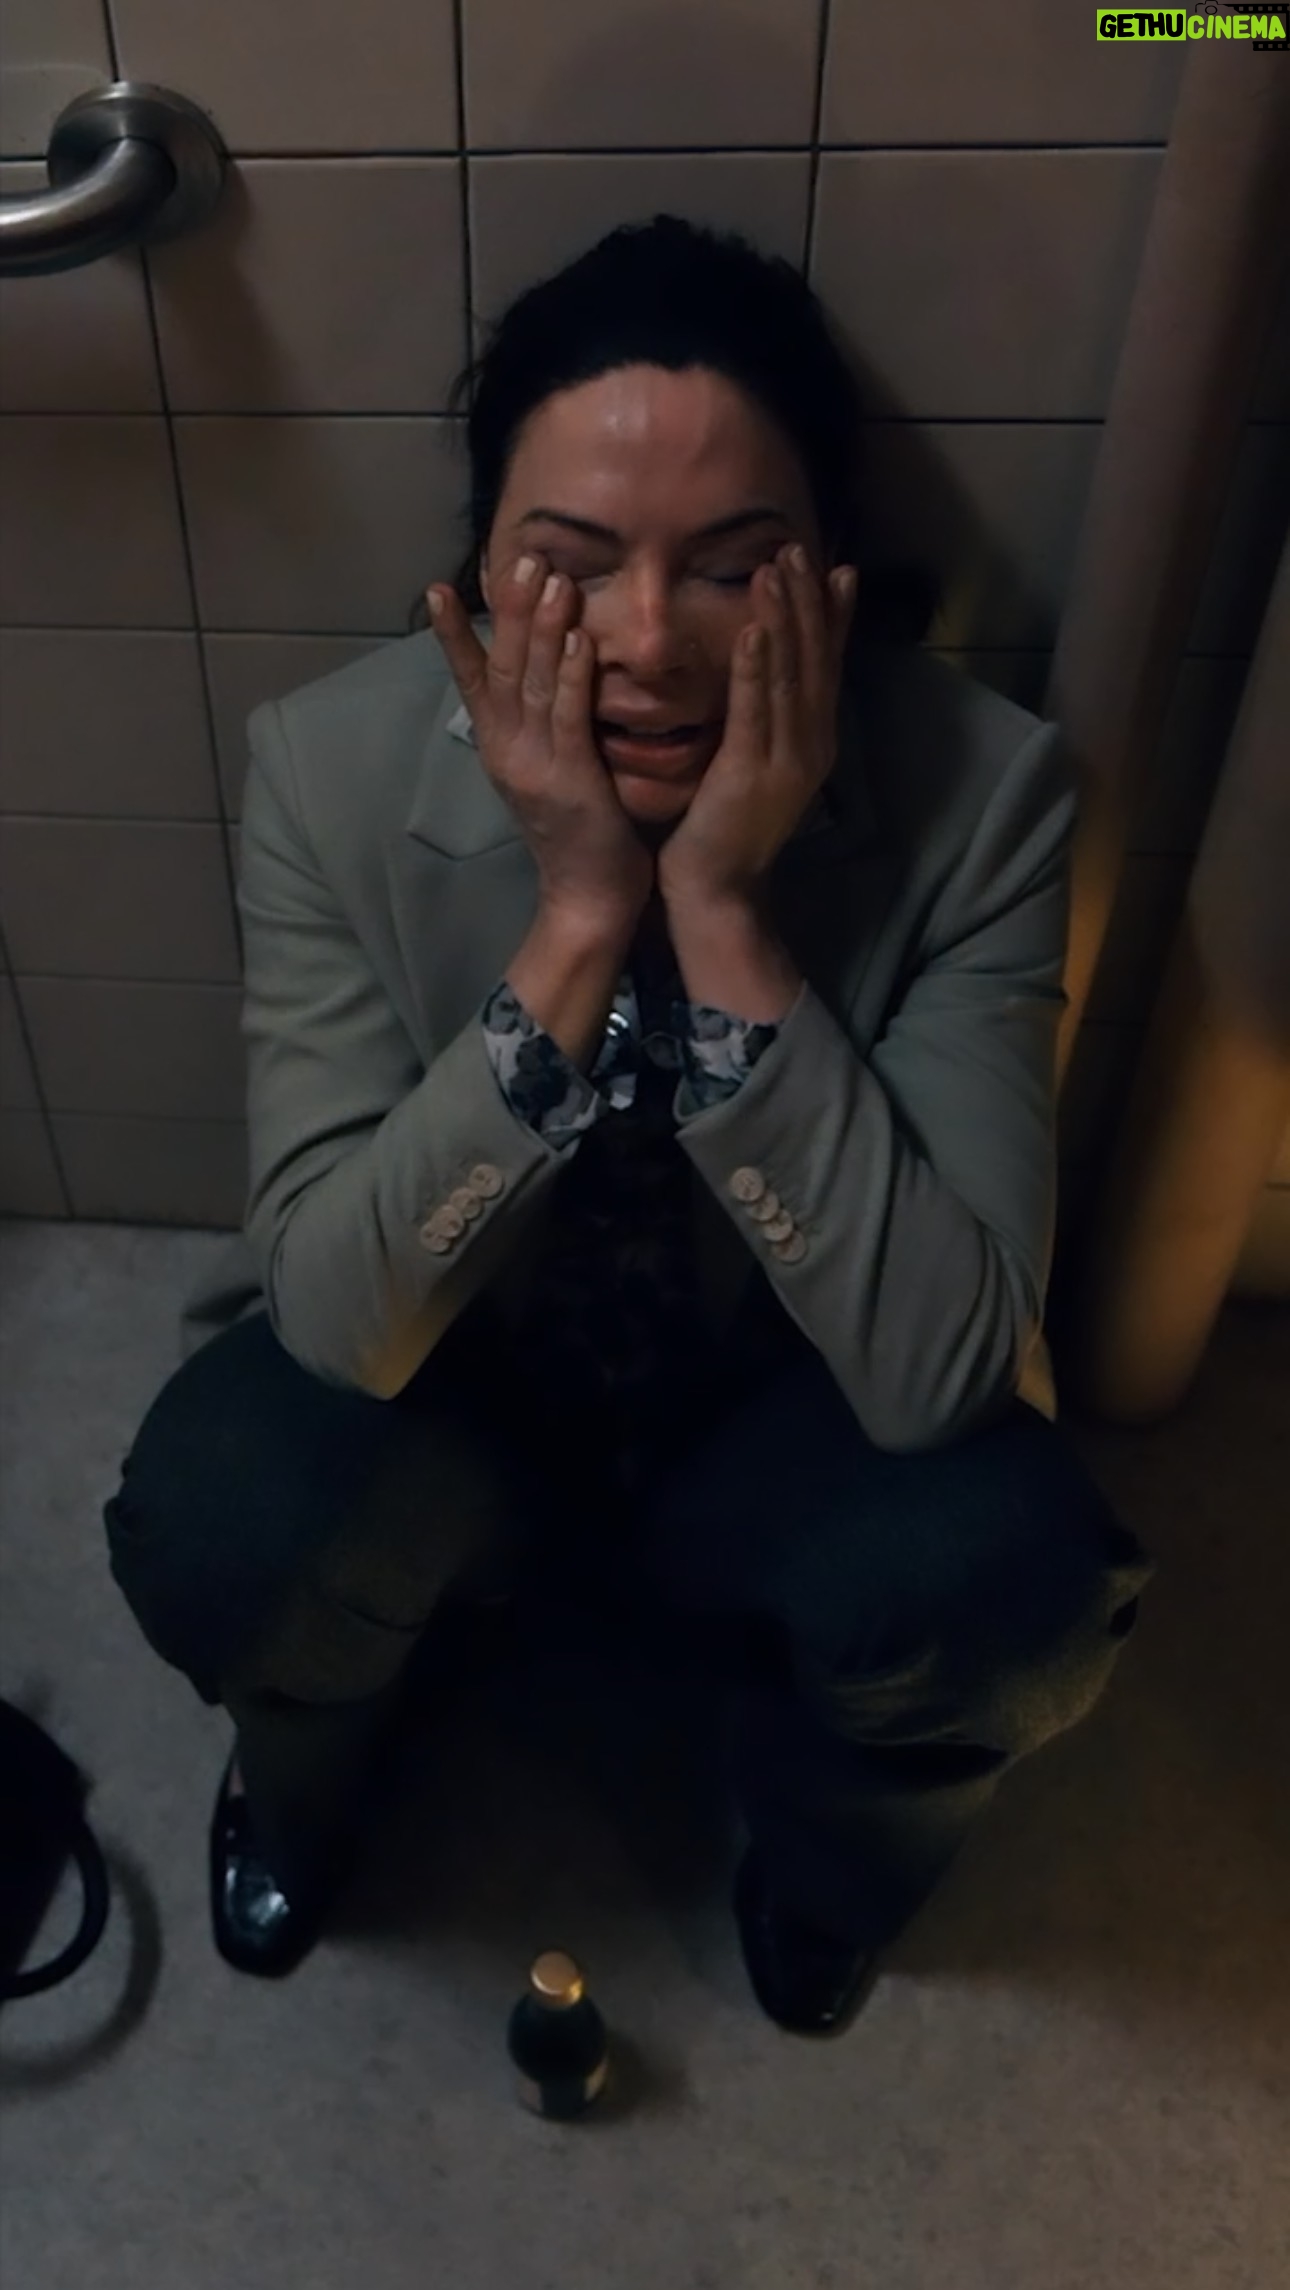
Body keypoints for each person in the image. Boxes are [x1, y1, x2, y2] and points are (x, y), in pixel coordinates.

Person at [102, 215, 1154, 2037]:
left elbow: (941, 1374)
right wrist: (581, 916)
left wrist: (726, 915)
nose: (650, 645)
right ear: (477, 581)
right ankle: (310, 1787)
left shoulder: (984, 798)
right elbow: (332, 1316)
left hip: (778, 1415)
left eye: (734, 569)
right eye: (568, 568)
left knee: (1015, 1582)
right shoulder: (326, 770)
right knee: (227, 1517)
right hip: (461, 1400)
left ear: (829, 579)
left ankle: (832, 1861)